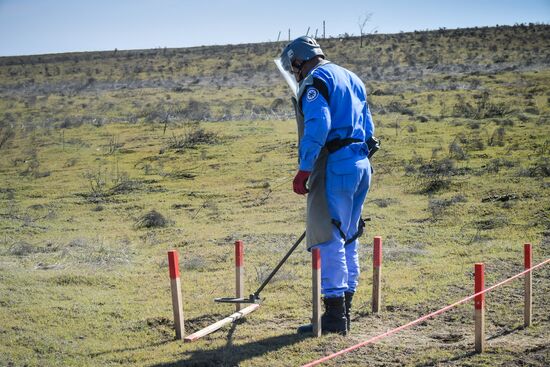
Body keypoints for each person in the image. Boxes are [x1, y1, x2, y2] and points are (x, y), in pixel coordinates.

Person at [278, 36, 376, 335]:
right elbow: (369, 127)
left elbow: (318, 125)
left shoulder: (315, 81)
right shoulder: (351, 76)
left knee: (328, 236)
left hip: (336, 165)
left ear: (297, 62)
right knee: (349, 235)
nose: (295, 74)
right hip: (361, 163)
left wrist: (304, 168)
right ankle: (343, 311)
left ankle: (334, 317)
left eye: (293, 68)